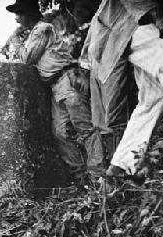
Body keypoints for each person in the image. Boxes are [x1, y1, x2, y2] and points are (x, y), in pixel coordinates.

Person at [81, 0, 163, 180]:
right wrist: (157, 14)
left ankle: (119, 167)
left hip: (130, 29)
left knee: (152, 98)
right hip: (133, 25)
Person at [21, 21, 105, 186]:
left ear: (28, 12)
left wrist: (16, 43)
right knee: (60, 133)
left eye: (19, 13)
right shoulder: (36, 33)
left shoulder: (42, 28)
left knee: (85, 129)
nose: (17, 19)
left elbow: (27, 58)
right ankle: (82, 180)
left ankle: (99, 177)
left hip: (67, 79)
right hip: (57, 86)